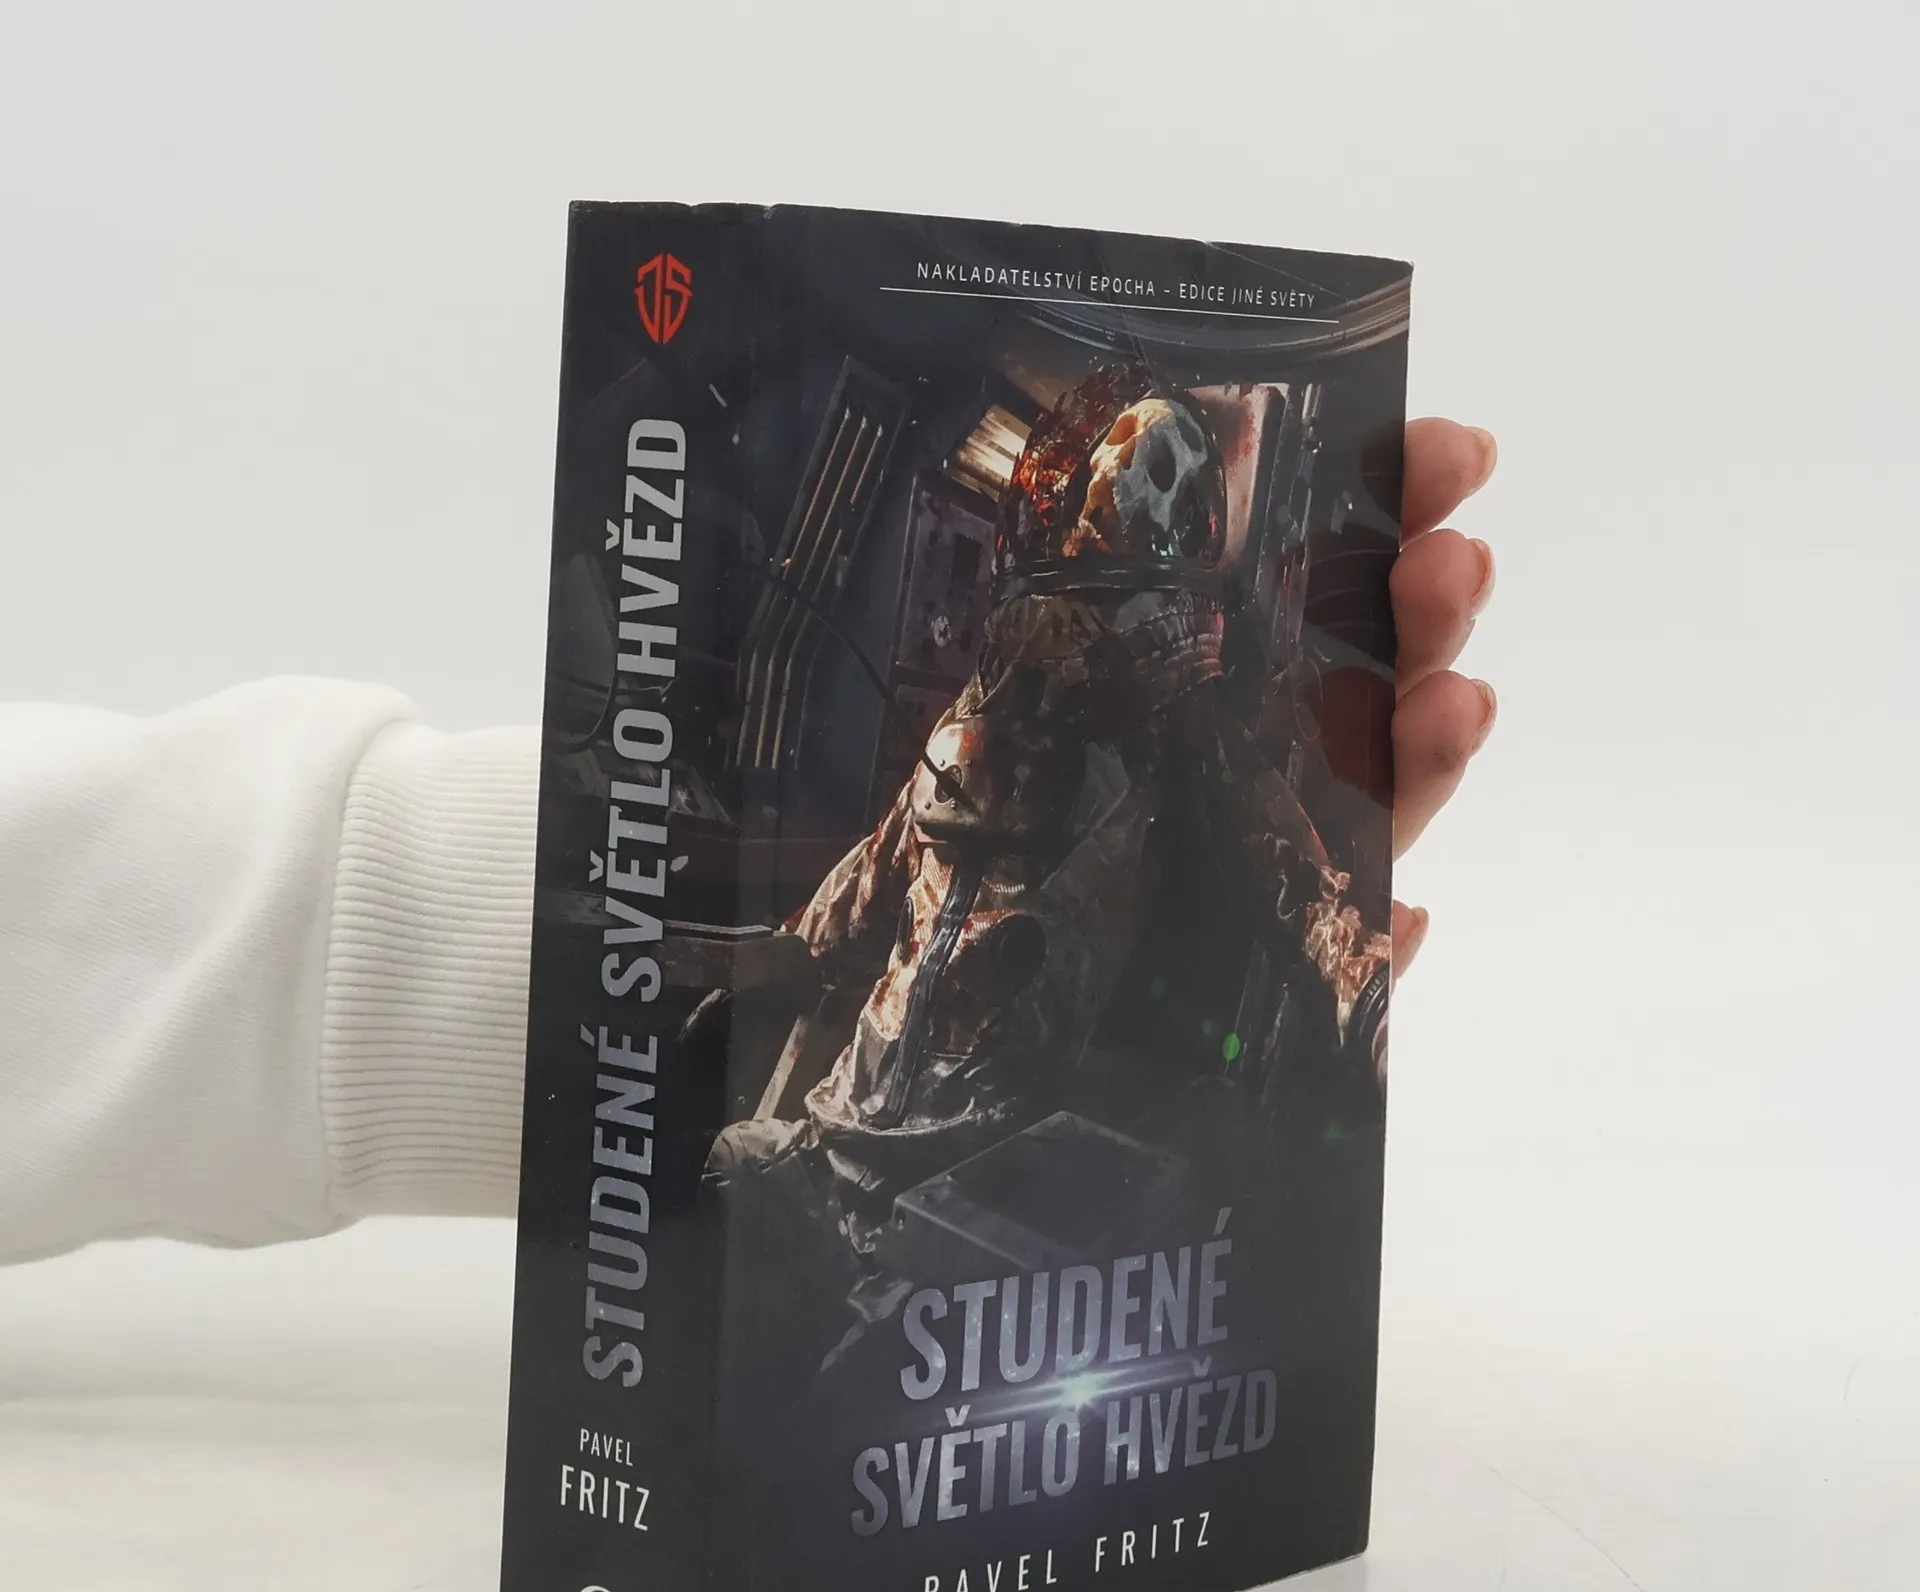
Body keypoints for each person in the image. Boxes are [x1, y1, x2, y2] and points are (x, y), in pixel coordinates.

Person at [0, 420, 1498, 1267]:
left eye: (1101, 615)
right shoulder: (994, 708)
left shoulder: (1171, 710)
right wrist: (731, 951)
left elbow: (1281, 858)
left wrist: (1349, 966)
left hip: (978, 1132)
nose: (1053, 652)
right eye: (1045, 614)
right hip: (855, 1114)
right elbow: (877, 869)